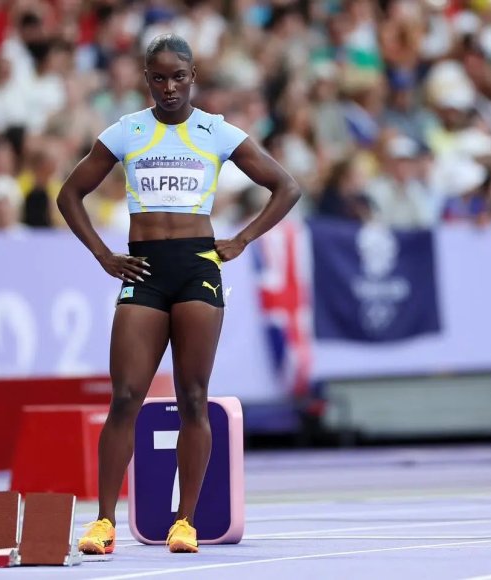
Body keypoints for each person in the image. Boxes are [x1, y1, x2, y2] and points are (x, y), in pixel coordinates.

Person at [57, 34, 300, 554]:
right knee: (125, 397)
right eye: (159, 77)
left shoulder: (216, 131)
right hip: (143, 268)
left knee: (193, 397)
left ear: (194, 78)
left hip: (197, 267)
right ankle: (103, 523)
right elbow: (68, 194)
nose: (169, 87)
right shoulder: (127, 131)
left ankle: (184, 523)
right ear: (146, 79)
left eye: (179, 77)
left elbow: (287, 187)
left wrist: (242, 239)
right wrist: (103, 255)